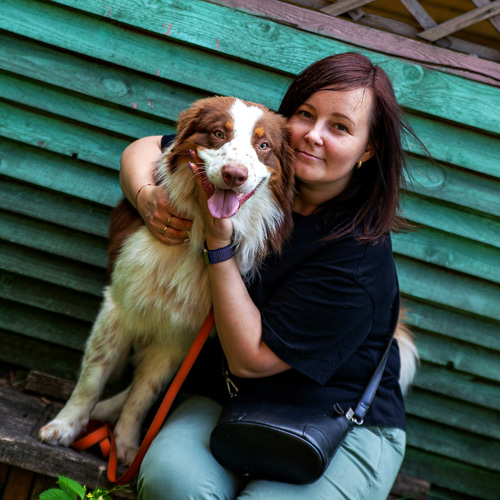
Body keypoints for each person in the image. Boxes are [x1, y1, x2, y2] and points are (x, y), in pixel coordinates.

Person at [119, 52, 419, 499]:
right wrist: (147, 198)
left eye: (339, 127)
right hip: (229, 396)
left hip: (339, 419)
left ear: (368, 149)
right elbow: (148, 147)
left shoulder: (357, 260)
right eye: (305, 114)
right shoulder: (254, 168)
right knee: (174, 485)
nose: (312, 136)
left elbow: (251, 359)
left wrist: (218, 245)